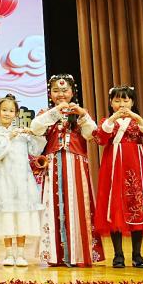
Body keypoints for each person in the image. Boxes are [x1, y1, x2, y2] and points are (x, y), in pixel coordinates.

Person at [29, 74, 104, 267]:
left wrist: (82, 115)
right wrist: (55, 112)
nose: (61, 94)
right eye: (56, 91)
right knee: (53, 205)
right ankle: (56, 255)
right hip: (53, 163)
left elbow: (91, 133)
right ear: (50, 94)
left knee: (79, 205)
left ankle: (80, 254)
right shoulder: (46, 114)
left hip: (76, 163)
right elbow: (35, 128)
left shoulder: (80, 113)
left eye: (65, 90)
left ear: (72, 92)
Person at [93, 85, 143, 268]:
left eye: (125, 100)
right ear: (111, 103)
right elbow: (101, 139)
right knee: (115, 208)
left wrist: (138, 118)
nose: (122, 105)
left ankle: (137, 255)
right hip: (113, 168)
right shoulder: (107, 122)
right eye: (117, 100)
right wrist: (112, 119)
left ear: (132, 102)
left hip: (137, 166)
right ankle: (118, 255)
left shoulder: (138, 122)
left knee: (137, 206)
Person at [0, 94, 45, 267]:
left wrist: (33, 134)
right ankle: (8, 254)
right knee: (6, 216)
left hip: (22, 181)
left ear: (16, 114)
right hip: (3, 181)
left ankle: (20, 254)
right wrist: (8, 137)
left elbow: (36, 150)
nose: (7, 113)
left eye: (11, 111)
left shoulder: (22, 134)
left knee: (22, 215)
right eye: (4, 110)